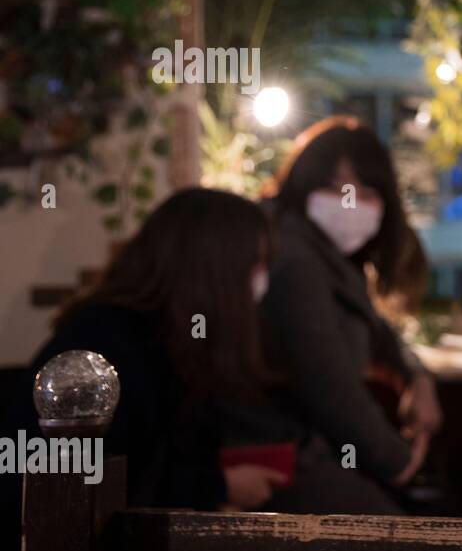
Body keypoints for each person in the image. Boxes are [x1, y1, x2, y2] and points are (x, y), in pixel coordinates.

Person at [17, 188, 286, 511]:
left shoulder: (172, 341)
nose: (262, 282)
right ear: (215, 272)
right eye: (255, 265)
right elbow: (96, 481)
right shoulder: (110, 341)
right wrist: (219, 486)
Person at [259, 116, 442, 513]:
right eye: (334, 186)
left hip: (305, 454)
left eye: (366, 189)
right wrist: (399, 461)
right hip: (281, 461)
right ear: (302, 186)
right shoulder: (294, 259)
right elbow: (328, 388)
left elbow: (381, 332)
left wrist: (416, 376)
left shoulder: (325, 257)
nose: (349, 201)